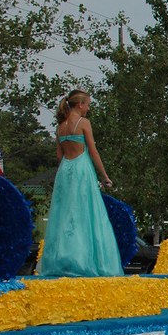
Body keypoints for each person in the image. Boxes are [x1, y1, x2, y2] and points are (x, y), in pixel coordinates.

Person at [38, 90, 123, 278]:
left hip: (65, 173)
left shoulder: (60, 127)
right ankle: (86, 261)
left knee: (64, 215)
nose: (89, 108)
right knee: (87, 213)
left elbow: (59, 156)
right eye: (88, 104)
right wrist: (105, 176)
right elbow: (93, 152)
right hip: (82, 170)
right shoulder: (83, 123)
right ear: (80, 105)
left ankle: (61, 260)